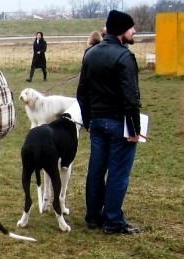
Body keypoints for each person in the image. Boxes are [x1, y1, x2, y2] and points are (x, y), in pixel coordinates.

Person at [76, 10, 142, 235]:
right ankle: (114, 221)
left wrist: (88, 121)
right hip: (119, 124)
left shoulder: (91, 53)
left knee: (96, 170)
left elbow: (81, 93)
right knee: (118, 173)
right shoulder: (125, 57)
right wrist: (134, 130)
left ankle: (93, 217)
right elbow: (131, 98)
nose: (134, 31)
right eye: (132, 28)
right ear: (123, 31)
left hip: (97, 122)